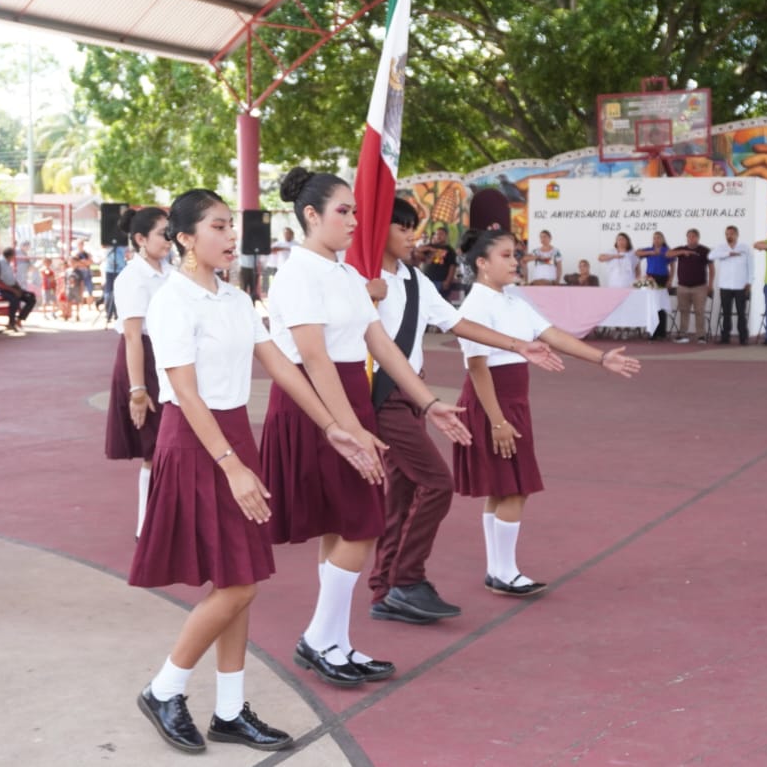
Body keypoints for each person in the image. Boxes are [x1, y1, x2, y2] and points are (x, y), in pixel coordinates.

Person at [131, 189, 384, 754]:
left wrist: (330, 426)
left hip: (233, 438)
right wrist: (233, 466)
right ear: (186, 239)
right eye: (218, 227)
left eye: (230, 227)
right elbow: (188, 397)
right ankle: (164, 687)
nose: (230, 237)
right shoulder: (172, 301)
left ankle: (228, 710)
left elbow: (284, 367)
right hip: (199, 442)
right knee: (239, 583)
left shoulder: (237, 299)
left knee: (238, 579)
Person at [262, 167, 470, 689]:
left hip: (348, 400)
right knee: (360, 524)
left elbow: (381, 345)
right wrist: (344, 426)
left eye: (355, 210)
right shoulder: (298, 273)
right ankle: (321, 638)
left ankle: (334, 642)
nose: (357, 221)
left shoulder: (347, 275)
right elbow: (316, 358)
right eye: (344, 211)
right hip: (320, 405)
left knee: (344, 526)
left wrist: (428, 404)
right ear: (311, 215)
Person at [365, 199, 563, 625]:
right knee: (437, 483)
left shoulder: (415, 279)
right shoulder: (359, 279)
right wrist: (362, 294)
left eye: (413, 228)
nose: (412, 236)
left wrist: (516, 345)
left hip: (411, 393)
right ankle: (406, 580)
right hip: (380, 394)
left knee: (401, 494)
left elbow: (455, 324)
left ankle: (386, 588)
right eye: (403, 228)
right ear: (379, 230)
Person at [453, 229, 640, 596]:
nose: (514, 261)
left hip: (512, 402)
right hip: (493, 402)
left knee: (503, 488)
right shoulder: (476, 306)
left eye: (515, 255)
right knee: (514, 489)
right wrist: (498, 421)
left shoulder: (512, 302)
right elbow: (477, 368)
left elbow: (554, 335)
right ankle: (505, 572)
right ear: (482, 263)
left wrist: (601, 359)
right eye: (506, 255)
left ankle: (498, 570)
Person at [105, 207, 172, 539]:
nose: (170, 239)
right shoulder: (132, 277)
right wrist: (138, 391)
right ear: (141, 239)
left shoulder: (171, 271)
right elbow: (132, 335)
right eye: (163, 233)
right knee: (155, 449)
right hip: (143, 361)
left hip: (169, 359)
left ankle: (163, 520)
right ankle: (147, 525)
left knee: (171, 445)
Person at [668, 229, 713, 344]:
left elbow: (712, 268)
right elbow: (668, 254)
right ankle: (683, 334)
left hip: (700, 287)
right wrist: (682, 252)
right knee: (684, 311)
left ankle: (701, 336)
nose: (691, 238)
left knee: (699, 311)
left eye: (693, 236)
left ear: (698, 238)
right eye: (689, 236)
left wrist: (710, 284)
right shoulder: (681, 249)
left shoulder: (704, 250)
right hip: (683, 286)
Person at [710, 225, 751, 345]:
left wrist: (749, 281)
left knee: (741, 313)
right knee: (726, 313)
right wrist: (728, 254)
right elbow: (711, 256)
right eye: (727, 234)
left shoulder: (744, 248)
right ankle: (725, 337)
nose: (729, 236)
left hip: (741, 285)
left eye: (732, 234)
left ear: (737, 235)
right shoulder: (721, 247)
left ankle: (743, 338)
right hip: (725, 285)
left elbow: (750, 266)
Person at [635, 231, 673, 339]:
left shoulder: (666, 250)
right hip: (650, 277)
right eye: (654, 238)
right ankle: (653, 332)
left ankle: (661, 332)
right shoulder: (649, 250)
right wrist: (651, 253)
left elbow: (673, 266)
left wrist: (670, 279)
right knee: (651, 305)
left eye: (658, 238)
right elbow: (637, 253)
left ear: (663, 239)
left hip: (662, 278)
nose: (656, 240)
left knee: (660, 305)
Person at [0, 247, 36, 331]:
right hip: (4, 289)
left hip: (13, 287)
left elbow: (11, 279)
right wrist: (13, 290)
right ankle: (11, 322)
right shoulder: (0, 263)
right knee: (14, 299)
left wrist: (18, 288)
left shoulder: (8, 264)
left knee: (31, 297)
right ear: (11, 255)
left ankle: (19, 320)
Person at [418, 226, 457, 298]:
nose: (438, 236)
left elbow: (452, 266)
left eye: (441, 234)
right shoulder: (430, 246)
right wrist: (430, 248)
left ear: (446, 236)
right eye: (437, 234)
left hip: (439, 281)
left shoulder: (450, 250)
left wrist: (448, 281)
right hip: (426, 280)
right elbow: (418, 250)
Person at [102, 239, 127, 324]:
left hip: (118, 271)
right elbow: (117, 260)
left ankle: (116, 312)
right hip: (111, 271)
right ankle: (109, 312)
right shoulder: (110, 246)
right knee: (108, 293)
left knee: (118, 293)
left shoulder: (122, 245)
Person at [74, 239, 96, 307]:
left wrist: (82, 262)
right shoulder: (76, 254)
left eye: (82, 244)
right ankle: (81, 305)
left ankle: (90, 305)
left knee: (90, 290)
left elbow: (91, 262)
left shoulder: (87, 254)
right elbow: (75, 264)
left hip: (87, 273)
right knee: (80, 290)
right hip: (80, 273)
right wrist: (84, 263)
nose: (81, 246)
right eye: (79, 244)